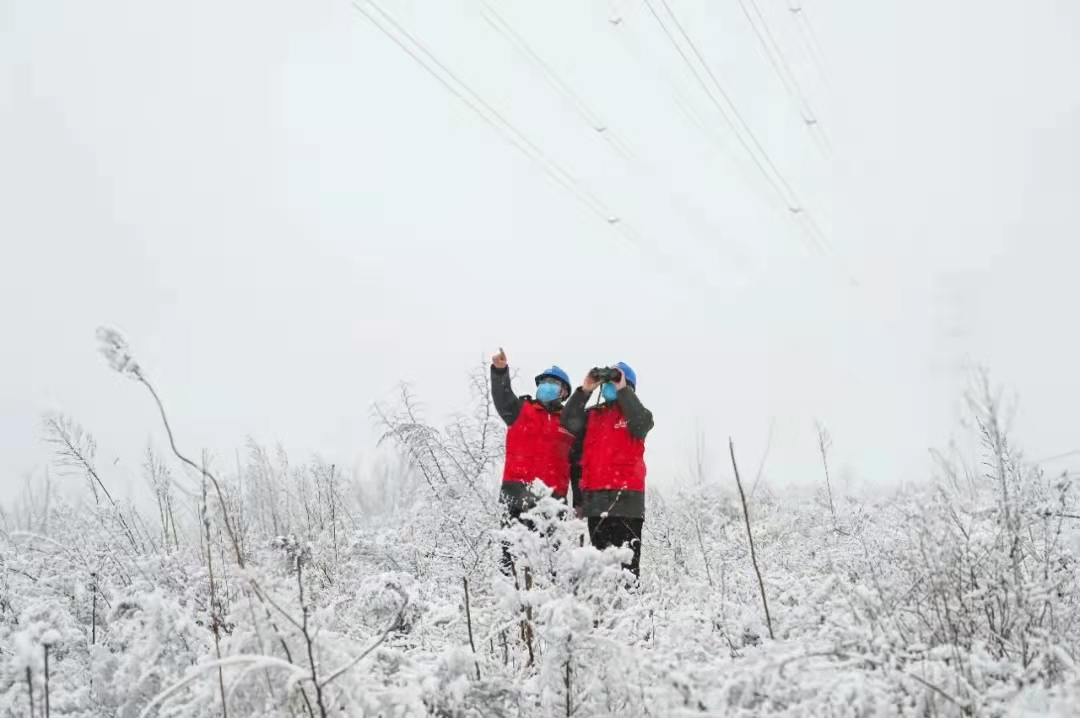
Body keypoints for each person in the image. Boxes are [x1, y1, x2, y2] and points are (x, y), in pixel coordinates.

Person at [561, 362, 654, 578]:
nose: (610, 387)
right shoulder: (592, 416)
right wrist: (585, 390)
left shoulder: (637, 416)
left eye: (615, 382)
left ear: (628, 386)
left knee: (627, 571)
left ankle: (630, 608)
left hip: (627, 502)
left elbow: (642, 423)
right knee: (599, 571)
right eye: (608, 383)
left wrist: (622, 389)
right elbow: (568, 421)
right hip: (595, 502)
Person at [491, 349, 575, 575]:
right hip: (515, 499)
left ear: (564, 392)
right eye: (544, 381)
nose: (547, 385)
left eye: (554, 383)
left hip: (553, 504)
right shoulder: (520, 410)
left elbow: (578, 465)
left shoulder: (570, 423)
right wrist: (500, 372)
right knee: (512, 563)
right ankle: (513, 607)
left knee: (549, 566)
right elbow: (502, 396)